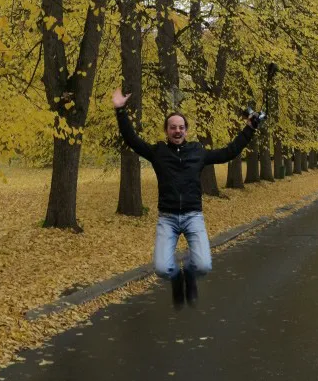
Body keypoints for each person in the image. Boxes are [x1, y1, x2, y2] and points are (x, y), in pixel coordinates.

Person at [112, 88, 263, 308]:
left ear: (186, 131)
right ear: (166, 130)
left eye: (181, 127)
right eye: (173, 127)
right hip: (168, 218)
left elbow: (229, 152)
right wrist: (120, 110)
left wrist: (249, 129)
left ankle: (190, 275)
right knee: (162, 268)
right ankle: (176, 278)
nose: (177, 131)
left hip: (193, 216)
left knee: (203, 266)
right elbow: (132, 139)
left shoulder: (197, 152)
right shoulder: (158, 152)